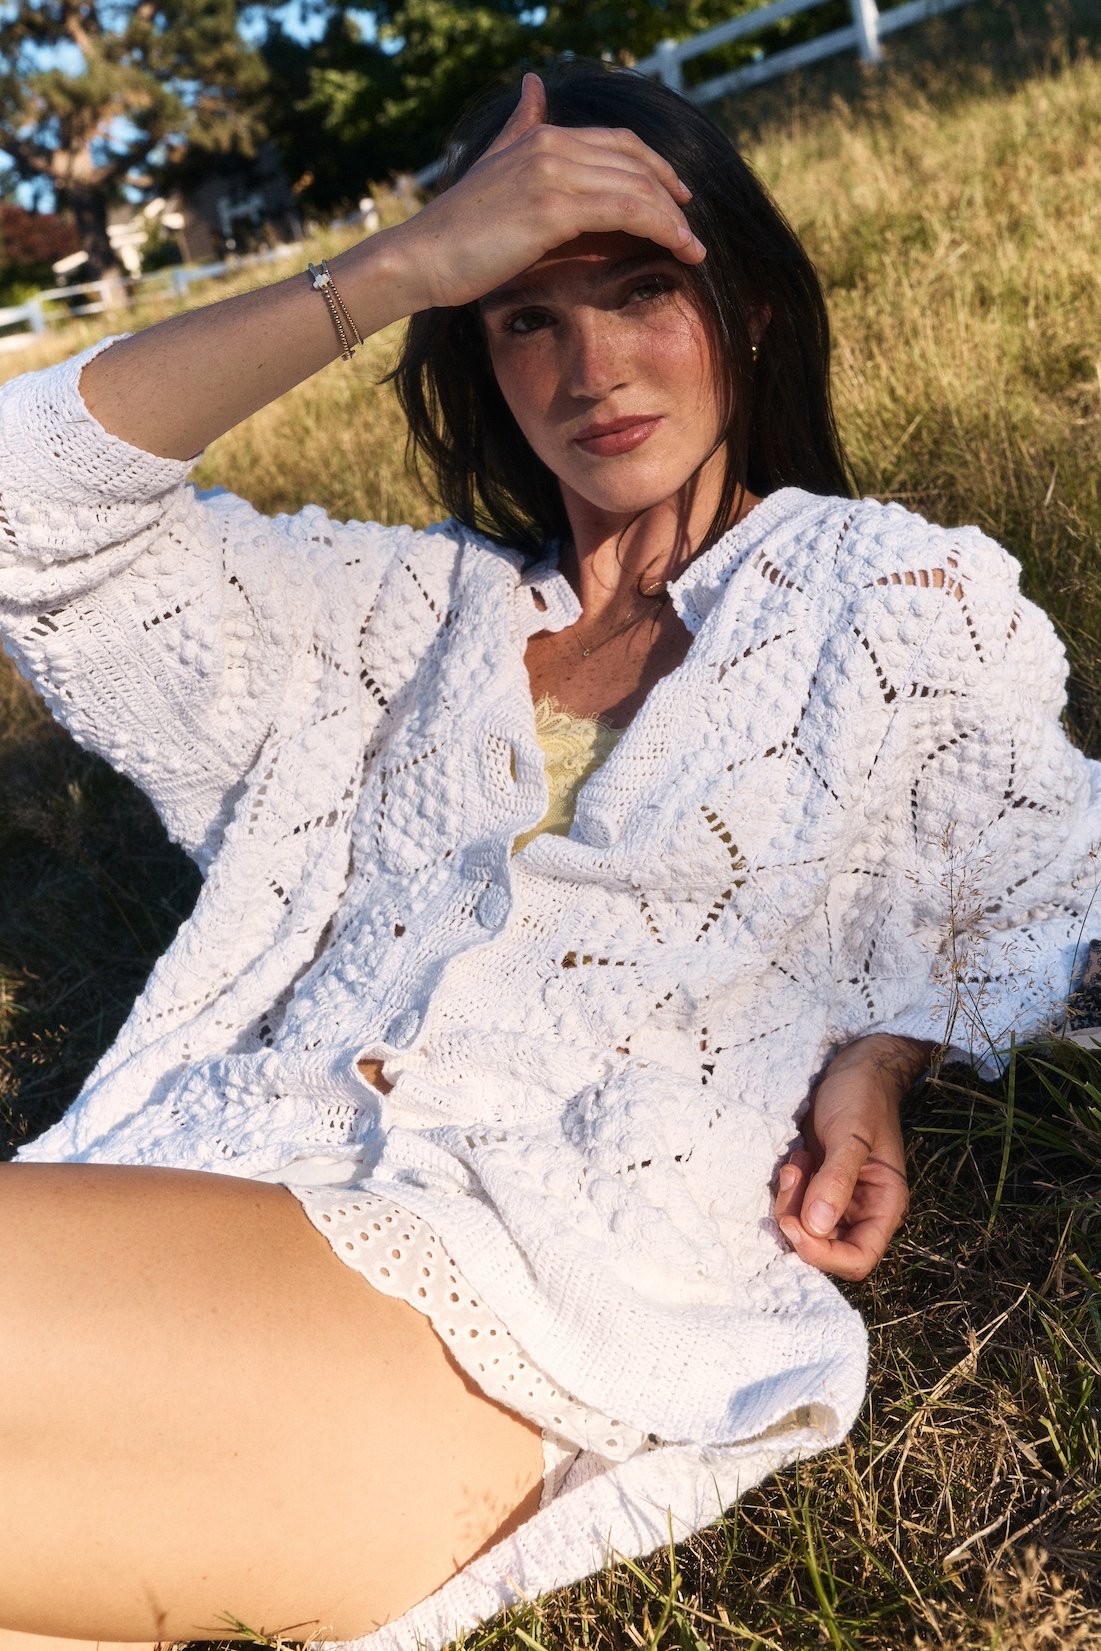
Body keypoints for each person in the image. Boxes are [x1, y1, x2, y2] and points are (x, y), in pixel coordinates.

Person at [0, 54, 1097, 1651]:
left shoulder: (890, 599)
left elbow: (1038, 890)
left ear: (748, 310)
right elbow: (25, 502)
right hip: (195, 1251)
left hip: (492, 1332)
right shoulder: (380, 619)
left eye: (641, 292)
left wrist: (883, 1053)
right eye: (524, 313)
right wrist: (392, 270)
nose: (592, 366)